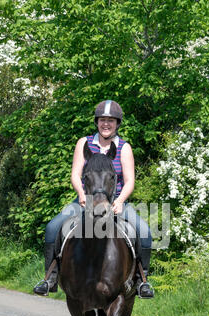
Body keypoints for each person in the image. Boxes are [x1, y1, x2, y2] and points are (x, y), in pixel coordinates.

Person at [33, 100, 154, 298]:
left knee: (145, 231)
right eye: (103, 120)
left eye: (111, 121)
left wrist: (120, 200)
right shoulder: (84, 143)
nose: (106, 124)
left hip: (115, 200)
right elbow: (75, 174)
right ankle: (50, 278)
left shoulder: (124, 148)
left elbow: (130, 180)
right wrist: (81, 195)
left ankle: (142, 282)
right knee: (52, 228)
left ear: (117, 123)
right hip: (85, 200)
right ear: (97, 122)